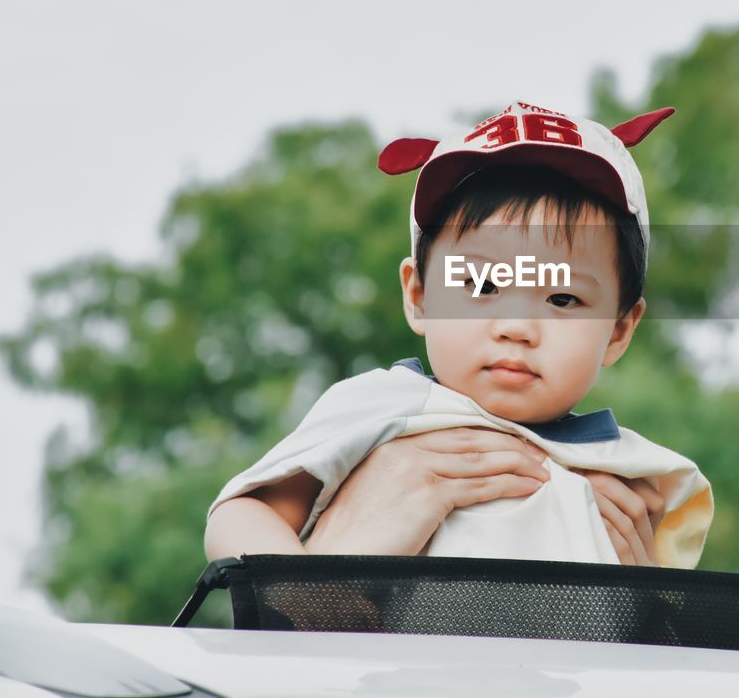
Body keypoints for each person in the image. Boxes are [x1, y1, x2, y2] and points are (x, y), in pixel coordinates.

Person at [205, 101, 713, 568]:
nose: (516, 327)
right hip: (392, 666)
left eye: (562, 299)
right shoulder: (390, 409)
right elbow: (242, 513)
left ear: (620, 330)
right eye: (483, 285)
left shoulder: (633, 472)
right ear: (419, 295)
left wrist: (647, 594)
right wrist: (306, 600)